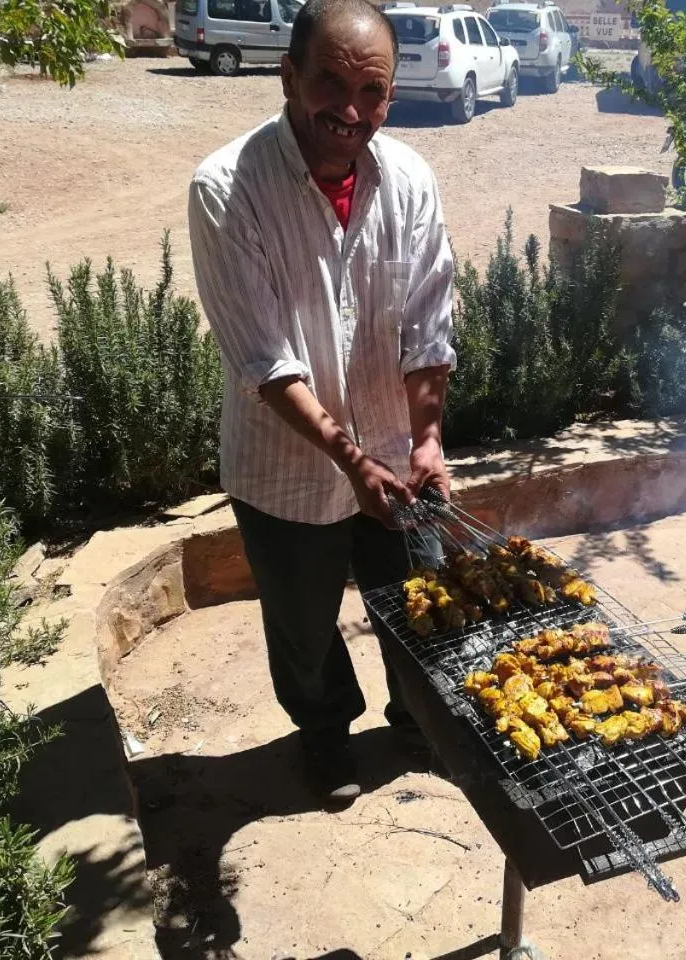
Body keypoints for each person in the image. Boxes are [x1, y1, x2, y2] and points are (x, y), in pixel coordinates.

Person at [187, 0, 455, 803]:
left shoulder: (409, 178)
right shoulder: (225, 188)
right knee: (303, 628)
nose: (349, 110)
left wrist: (427, 440)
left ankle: (419, 722)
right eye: (329, 84)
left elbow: (428, 323)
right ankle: (327, 735)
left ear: (391, 96)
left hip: (394, 457)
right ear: (287, 76)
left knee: (418, 602)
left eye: (370, 92)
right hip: (284, 467)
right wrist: (350, 461)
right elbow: (264, 360)